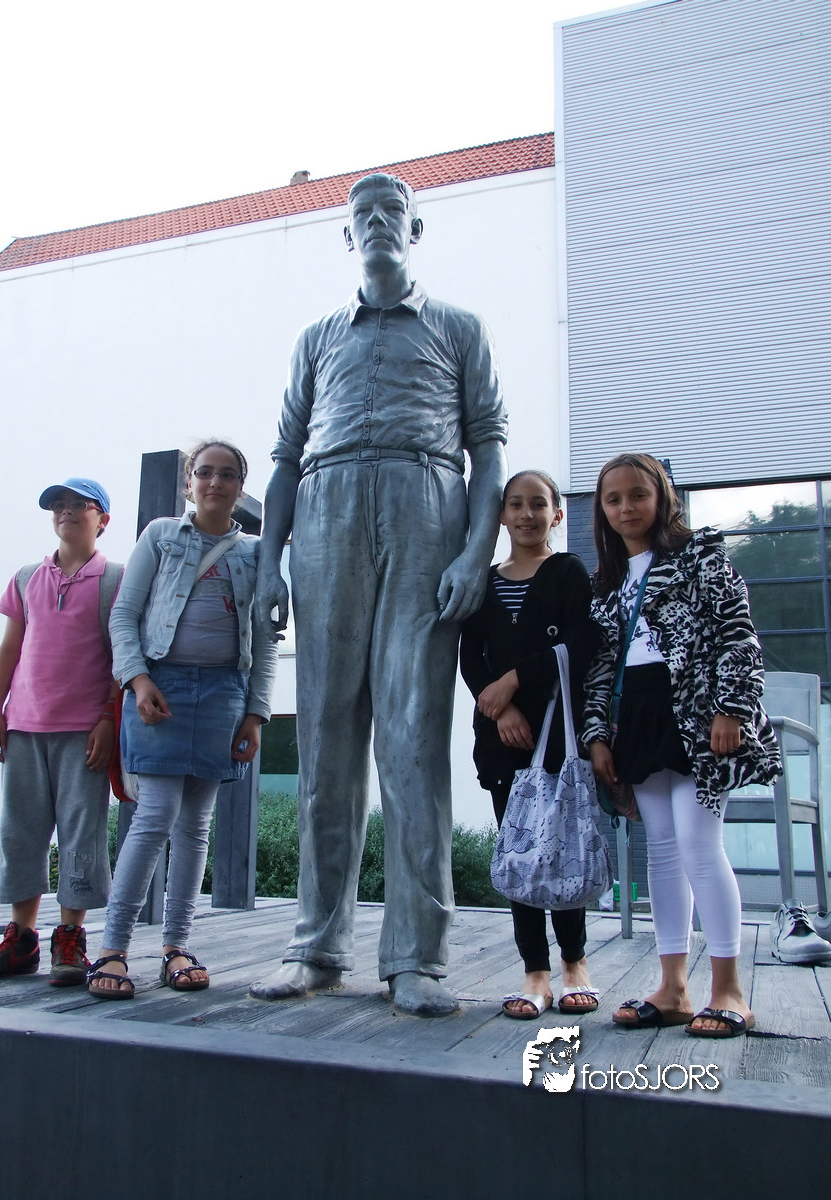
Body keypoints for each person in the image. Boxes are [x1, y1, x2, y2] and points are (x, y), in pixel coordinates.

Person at [249, 172, 507, 1016]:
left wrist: (475, 551)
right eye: (362, 214)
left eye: (392, 211)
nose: (377, 223)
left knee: (413, 738)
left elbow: (487, 449)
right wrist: (269, 561)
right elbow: (284, 458)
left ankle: (416, 957)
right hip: (325, 513)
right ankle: (316, 946)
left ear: (415, 228)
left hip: (425, 507)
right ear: (347, 235)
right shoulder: (316, 337)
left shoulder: (459, 327)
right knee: (325, 737)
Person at [581, 453, 781, 1037]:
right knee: (663, 850)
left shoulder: (701, 556)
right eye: (613, 499)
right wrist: (597, 735)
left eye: (638, 495)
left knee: (698, 843)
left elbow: (738, 635)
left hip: (697, 716)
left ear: (662, 496)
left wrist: (729, 708)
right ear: (602, 510)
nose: (626, 508)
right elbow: (601, 666)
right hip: (638, 720)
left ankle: (729, 990)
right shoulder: (608, 580)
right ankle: (672, 989)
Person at [87, 440, 277, 998]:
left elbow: (266, 638)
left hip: (224, 694)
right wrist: (137, 679)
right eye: (205, 472)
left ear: (240, 486)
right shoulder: (161, 535)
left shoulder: (256, 553)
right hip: (161, 688)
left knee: (196, 826)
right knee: (155, 816)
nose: (215, 482)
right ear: (189, 483)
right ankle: (113, 950)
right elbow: (124, 615)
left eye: (228, 474)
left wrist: (257, 713)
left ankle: (176, 946)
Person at [0, 478, 120, 986]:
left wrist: (108, 719)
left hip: (83, 731)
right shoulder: (27, 577)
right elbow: (10, 649)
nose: (66, 511)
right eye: (58, 505)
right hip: (24, 726)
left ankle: (70, 937)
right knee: (21, 830)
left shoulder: (115, 580)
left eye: (80, 505)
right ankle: (21, 938)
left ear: (103, 519)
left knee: (81, 833)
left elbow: (123, 656)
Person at [460, 470, 601, 1020]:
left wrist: (517, 679)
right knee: (519, 851)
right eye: (515, 504)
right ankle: (535, 972)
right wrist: (502, 708)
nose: (526, 514)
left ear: (556, 514)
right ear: (501, 516)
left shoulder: (568, 571)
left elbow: (583, 642)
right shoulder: (484, 582)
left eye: (538, 504)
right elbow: (471, 658)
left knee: (561, 846)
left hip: (558, 733)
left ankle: (574, 963)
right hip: (502, 737)